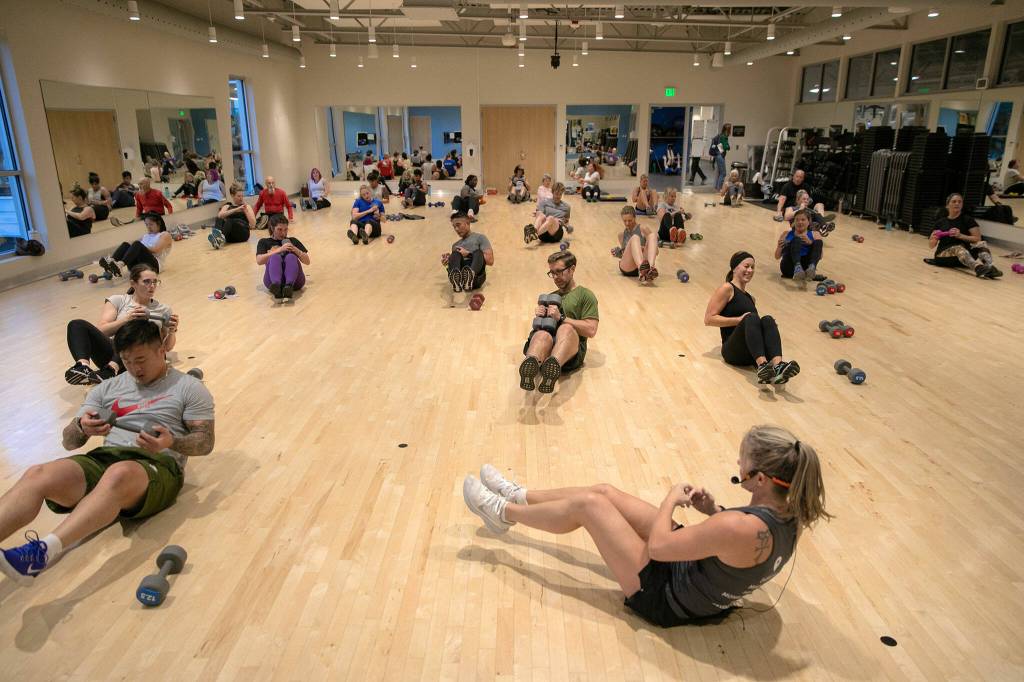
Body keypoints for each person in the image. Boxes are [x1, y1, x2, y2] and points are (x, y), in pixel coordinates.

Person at [461, 424, 830, 627]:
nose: (738, 463)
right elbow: (738, 544)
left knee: (590, 506)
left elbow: (658, 549)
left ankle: (502, 513)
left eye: (743, 461)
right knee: (604, 491)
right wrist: (713, 510)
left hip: (664, 596)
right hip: (693, 567)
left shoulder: (740, 527)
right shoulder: (792, 509)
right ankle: (520, 495)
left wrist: (670, 499)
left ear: (760, 479)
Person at [0, 319, 214, 585]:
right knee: (38, 473)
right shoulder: (106, 388)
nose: (134, 368)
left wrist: (171, 443)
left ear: (161, 350)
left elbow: (205, 442)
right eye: (126, 361)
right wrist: (82, 427)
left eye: (141, 360)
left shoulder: (190, 388)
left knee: (118, 473)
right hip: (107, 460)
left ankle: (40, 553)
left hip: (159, 466)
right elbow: (69, 442)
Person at [64, 264, 177, 385]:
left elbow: (167, 347)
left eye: (155, 282)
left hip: (144, 359)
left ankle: (112, 370)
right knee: (76, 324)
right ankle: (83, 366)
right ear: (133, 283)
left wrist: (172, 331)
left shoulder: (164, 310)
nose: (152, 286)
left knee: (137, 328)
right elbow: (102, 330)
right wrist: (127, 319)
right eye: (147, 282)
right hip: (113, 354)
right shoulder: (118, 300)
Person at [704, 251, 800, 384]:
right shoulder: (727, 288)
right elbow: (709, 319)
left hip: (750, 353)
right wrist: (738, 320)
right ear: (734, 268)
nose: (750, 270)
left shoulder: (751, 298)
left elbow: (753, 329)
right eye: (746, 266)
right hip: (732, 352)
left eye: (752, 267)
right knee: (751, 318)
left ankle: (778, 366)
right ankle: (762, 366)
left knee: (767, 320)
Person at [518, 250, 599, 394]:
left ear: (572, 269)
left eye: (559, 272)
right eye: (552, 273)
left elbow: (591, 330)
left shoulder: (585, 295)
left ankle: (553, 365)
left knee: (566, 328)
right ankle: (533, 361)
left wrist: (561, 318)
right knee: (542, 334)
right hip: (547, 345)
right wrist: (540, 316)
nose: (555, 277)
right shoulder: (551, 297)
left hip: (570, 352)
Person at [928, 193, 1001, 279]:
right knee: (958, 248)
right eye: (954, 201)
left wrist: (960, 236)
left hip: (965, 257)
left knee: (981, 244)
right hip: (944, 256)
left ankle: (990, 268)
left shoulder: (968, 220)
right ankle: (978, 268)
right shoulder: (940, 222)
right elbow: (931, 246)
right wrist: (933, 238)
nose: (957, 203)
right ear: (947, 205)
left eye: (960, 202)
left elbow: (977, 238)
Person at [99, 213, 173, 279]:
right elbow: (137, 249)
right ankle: (111, 263)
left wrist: (139, 247)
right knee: (126, 245)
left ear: (159, 223)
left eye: (151, 224)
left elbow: (156, 250)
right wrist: (133, 248)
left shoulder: (165, 234)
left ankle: (120, 265)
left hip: (154, 266)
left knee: (137, 244)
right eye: (146, 224)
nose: (148, 227)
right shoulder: (146, 236)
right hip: (139, 265)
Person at [256, 214, 310, 300]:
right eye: (279, 229)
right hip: (272, 281)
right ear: (272, 228)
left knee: (291, 257)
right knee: (275, 257)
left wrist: (295, 249)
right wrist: (279, 250)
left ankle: (289, 286)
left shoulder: (292, 240)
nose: (283, 233)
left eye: (285, 229)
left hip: (295, 282)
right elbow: (259, 261)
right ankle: (276, 286)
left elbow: (307, 261)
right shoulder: (264, 242)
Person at [444, 212, 494, 292]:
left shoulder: (480, 238)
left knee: (478, 252)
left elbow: (490, 261)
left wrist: (468, 254)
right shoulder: (455, 245)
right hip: (461, 280)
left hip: (477, 278)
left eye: (458, 225)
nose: (456, 229)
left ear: (467, 223)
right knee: (454, 255)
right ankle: (458, 283)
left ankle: (470, 276)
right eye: (454, 227)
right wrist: (448, 262)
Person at [774, 209, 823, 282]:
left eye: (803, 220)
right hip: (789, 268)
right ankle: (797, 268)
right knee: (797, 239)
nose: (800, 222)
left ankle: (811, 268)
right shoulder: (786, 234)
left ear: (808, 222)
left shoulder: (815, 234)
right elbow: (777, 256)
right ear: (794, 222)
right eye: (797, 220)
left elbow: (820, 256)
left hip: (806, 267)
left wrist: (810, 243)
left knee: (818, 242)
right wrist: (780, 246)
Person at [616, 206, 660, 282]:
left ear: (635, 218)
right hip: (628, 267)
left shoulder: (643, 229)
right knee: (635, 237)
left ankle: (650, 269)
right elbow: (624, 256)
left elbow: (656, 252)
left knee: (653, 235)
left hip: (644, 263)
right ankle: (641, 270)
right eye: (625, 221)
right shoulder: (621, 235)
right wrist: (618, 253)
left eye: (630, 220)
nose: (627, 223)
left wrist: (642, 248)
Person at [710, 123, 731, 191]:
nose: (730, 131)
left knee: (720, 173)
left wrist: (727, 146)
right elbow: (725, 147)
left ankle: (717, 188)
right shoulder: (723, 137)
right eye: (730, 129)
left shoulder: (721, 136)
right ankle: (719, 189)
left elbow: (722, 146)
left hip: (719, 155)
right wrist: (728, 146)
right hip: (720, 156)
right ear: (727, 129)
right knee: (723, 173)